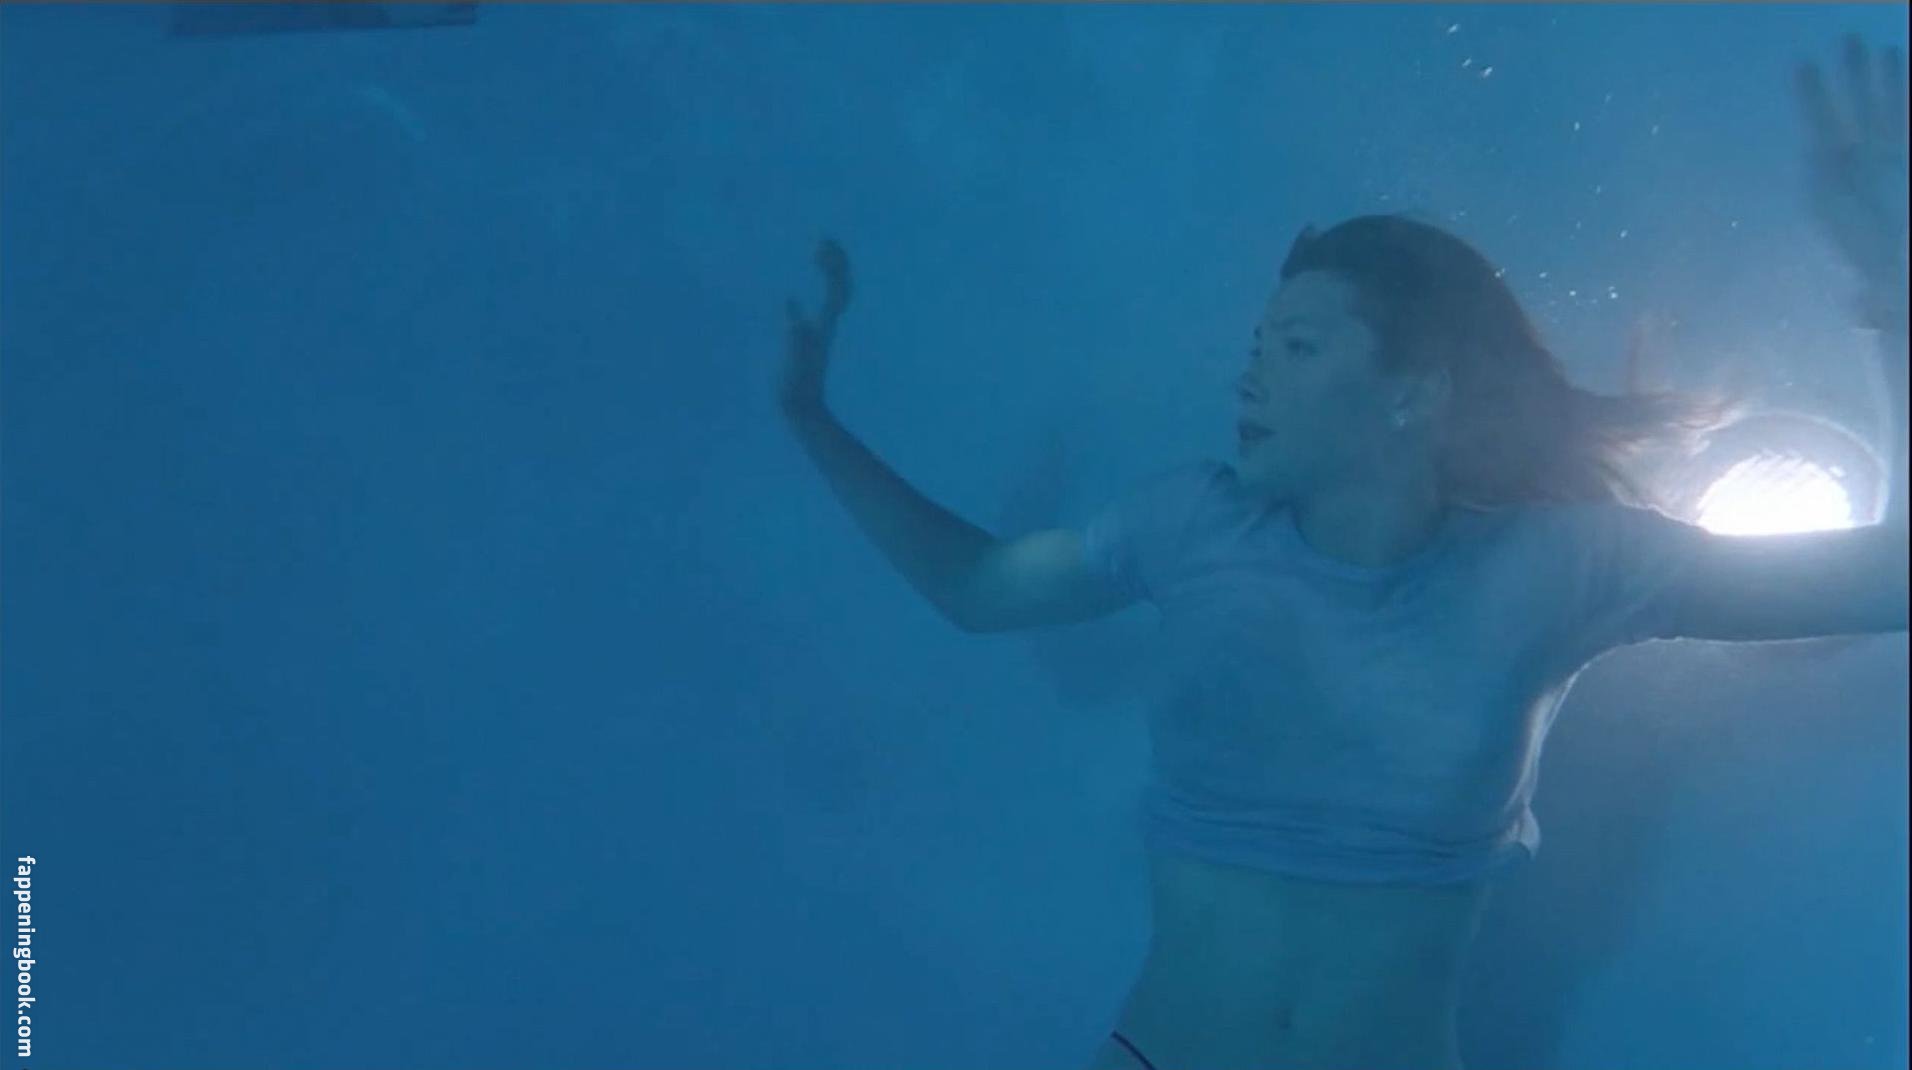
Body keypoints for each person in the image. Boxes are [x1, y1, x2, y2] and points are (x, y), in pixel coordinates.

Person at [777, 37, 1907, 1070]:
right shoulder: (1189, 525)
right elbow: (976, 589)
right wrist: (812, 418)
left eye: (1299, 345)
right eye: (1257, 344)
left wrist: (1892, 285)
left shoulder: (1556, 570)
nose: (1250, 374)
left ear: (1413, 393)